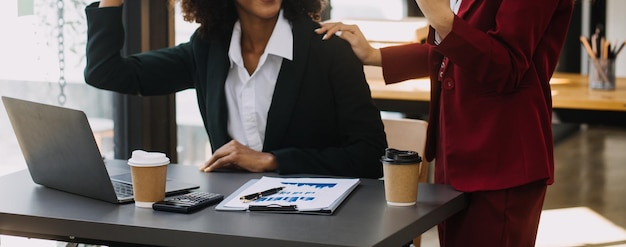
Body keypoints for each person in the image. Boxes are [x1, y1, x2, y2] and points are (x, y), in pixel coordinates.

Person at [317, 0, 574, 246]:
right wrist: (375, 55)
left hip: (501, 159)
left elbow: (506, 66)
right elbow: (451, 51)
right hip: (456, 157)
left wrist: (440, 16)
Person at [84, 0, 387, 179]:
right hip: (234, 222)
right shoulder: (206, 49)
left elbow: (370, 156)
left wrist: (273, 160)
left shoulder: (328, 49)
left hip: (318, 227)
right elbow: (106, 72)